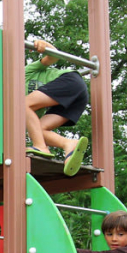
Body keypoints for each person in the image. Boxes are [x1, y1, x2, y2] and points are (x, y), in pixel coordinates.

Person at [24, 39, 90, 176]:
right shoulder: (26, 106)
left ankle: (40, 147)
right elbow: (33, 123)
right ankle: (68, 144)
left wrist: (43, 45)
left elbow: (53, 56)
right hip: (76, 99)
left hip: (70, 81)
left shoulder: (25, 73)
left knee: (23, 104)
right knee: (38, 130)